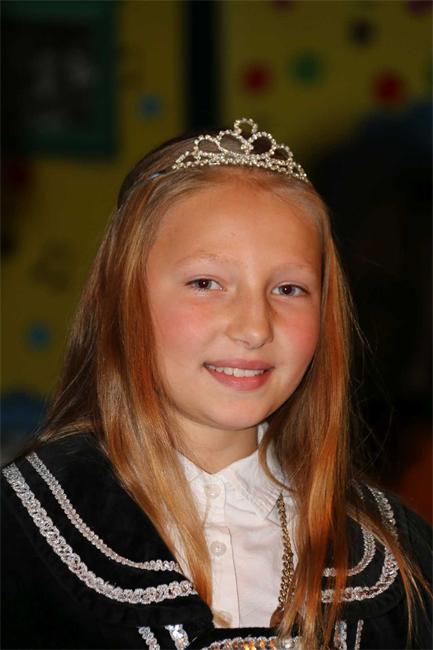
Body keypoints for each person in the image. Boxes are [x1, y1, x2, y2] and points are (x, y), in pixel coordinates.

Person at [1, 118, 431, 650]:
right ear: (123, 298)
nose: (254, 327)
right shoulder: (22, 533)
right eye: (206, 283)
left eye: (289, 288)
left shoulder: (397, 557)